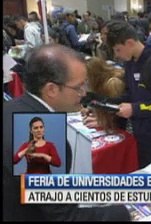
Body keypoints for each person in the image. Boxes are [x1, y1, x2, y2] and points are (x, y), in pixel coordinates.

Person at [3, 44, 131, 221]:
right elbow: (63, 216)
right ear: (51, 89)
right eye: (78, 87)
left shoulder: (14, 107)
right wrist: (125, 212)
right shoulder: (40, 134)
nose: (84, 93)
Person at [105, 20, 151, 168]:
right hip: (140, 133)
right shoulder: (130, 63)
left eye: (118, 50)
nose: (116, 55)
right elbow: (130, 93)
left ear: (130, 43)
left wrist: (134, 109)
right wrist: (110, 104)